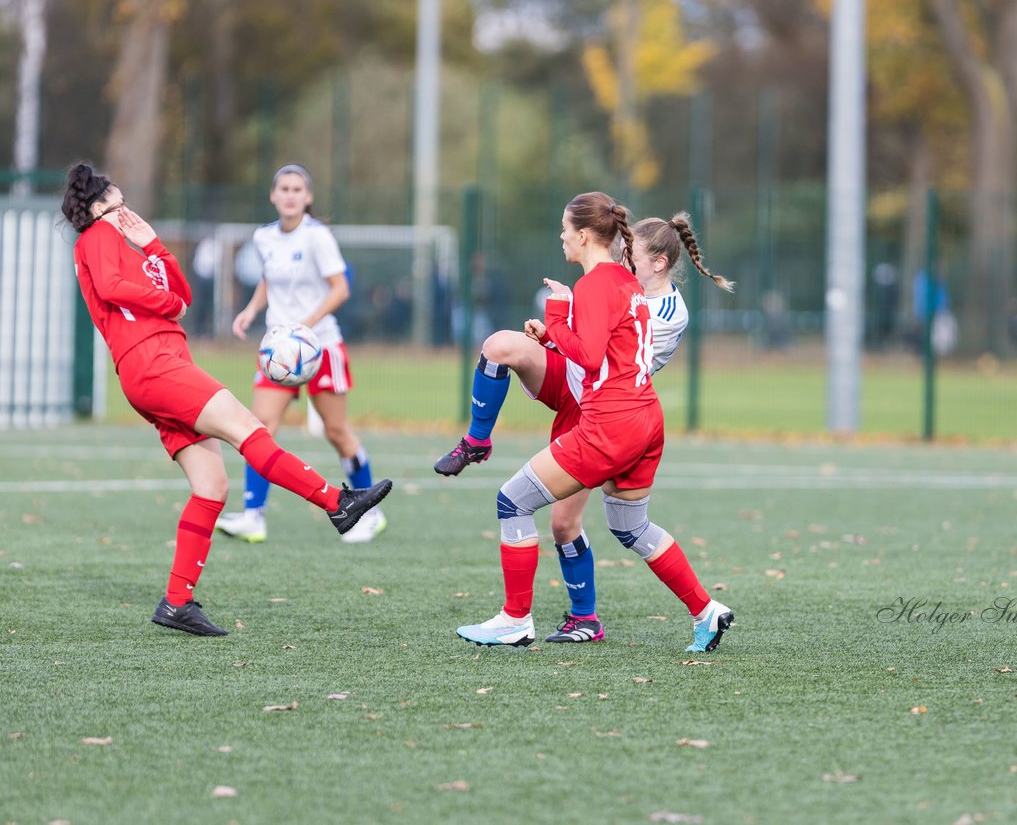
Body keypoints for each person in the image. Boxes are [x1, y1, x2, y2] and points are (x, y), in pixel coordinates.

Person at [60, 162, 392, 637]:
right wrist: (166, 303)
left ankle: (176, 602)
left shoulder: (130, 244)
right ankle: (337, 503)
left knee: (212, 486)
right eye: (118, 204)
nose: (126, 212)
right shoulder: (96, 237)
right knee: (251, 430)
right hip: (153, 363)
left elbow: (185, 293)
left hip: (160, 363)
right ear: (96, 209)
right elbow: (124, 292)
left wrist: (153, 245)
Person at [454, 192, 735, 652]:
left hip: (608, 420)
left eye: (566, 228)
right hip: (645, 416)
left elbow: (588, 355)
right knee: (631, 528)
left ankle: (515, 619)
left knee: (512, 503)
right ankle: (707, 611)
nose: (562, 236)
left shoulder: (605, 286)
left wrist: (558, 315)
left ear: (584, 235)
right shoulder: (628, 286)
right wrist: (563, 326)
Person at [214, 164, 387, 544]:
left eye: (297, 189)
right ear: (273, 196)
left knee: (336, 432)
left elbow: (340, 289)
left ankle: (370, 511)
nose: (290, 195)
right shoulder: (263, 238)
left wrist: (304, 329)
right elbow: (268, 279)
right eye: (284, 189)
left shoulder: (317, 237)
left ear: (307, 198)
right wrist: (250, 310)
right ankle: (253, 516)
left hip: (320, 347)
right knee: (259, 427)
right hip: (278, 353)